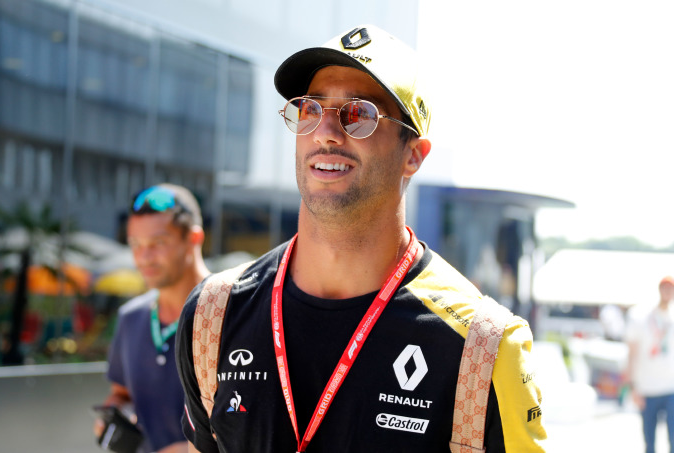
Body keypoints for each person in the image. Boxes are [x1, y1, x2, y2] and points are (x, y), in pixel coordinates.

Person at [175, 25, 546, 452]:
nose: (325, 132)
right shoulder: (214, 313)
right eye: (310, 108)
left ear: (413, 155)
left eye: (359, 114)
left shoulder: (484, 347)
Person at [95, 184, 210, 453]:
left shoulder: (232, 312)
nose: (144, 257)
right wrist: (116, 414)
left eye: (158, 243)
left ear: (193, 238)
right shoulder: (130, 317)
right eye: (135, 244)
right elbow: (122, 394)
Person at [625, 276, 674, 453]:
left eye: (671, 289)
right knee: (649, 442)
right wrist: (632, 386)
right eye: (665, 288)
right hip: (647, 388)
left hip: (671, 387)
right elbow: (632, 353)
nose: (667, 292)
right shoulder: (641, 317)